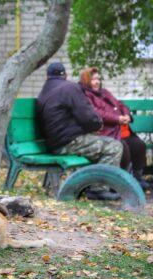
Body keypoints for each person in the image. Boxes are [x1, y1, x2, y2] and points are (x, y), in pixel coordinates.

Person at [37, 62, 124, 200]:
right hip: (67, 143)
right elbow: (88, 116)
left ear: (47, 76)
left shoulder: (43, 92)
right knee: (114, 146)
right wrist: (97, 126)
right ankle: (97, 190)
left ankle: (87, 185)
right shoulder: (69, 88)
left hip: (54, 143)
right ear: (65, 75)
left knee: (100, 144)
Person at [79, 67, 150, 190]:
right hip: (106, 133)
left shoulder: (105, 92)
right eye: (93, 79)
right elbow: (96, 112)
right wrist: (117, 119)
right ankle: (120, 181)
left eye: (98, 79)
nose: (97, 82)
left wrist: (126, 114)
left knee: (139, 145)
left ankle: (137, 177)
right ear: (86, 80)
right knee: (124, 148)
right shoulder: (85, 95)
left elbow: (120, 104)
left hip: (119, 131)